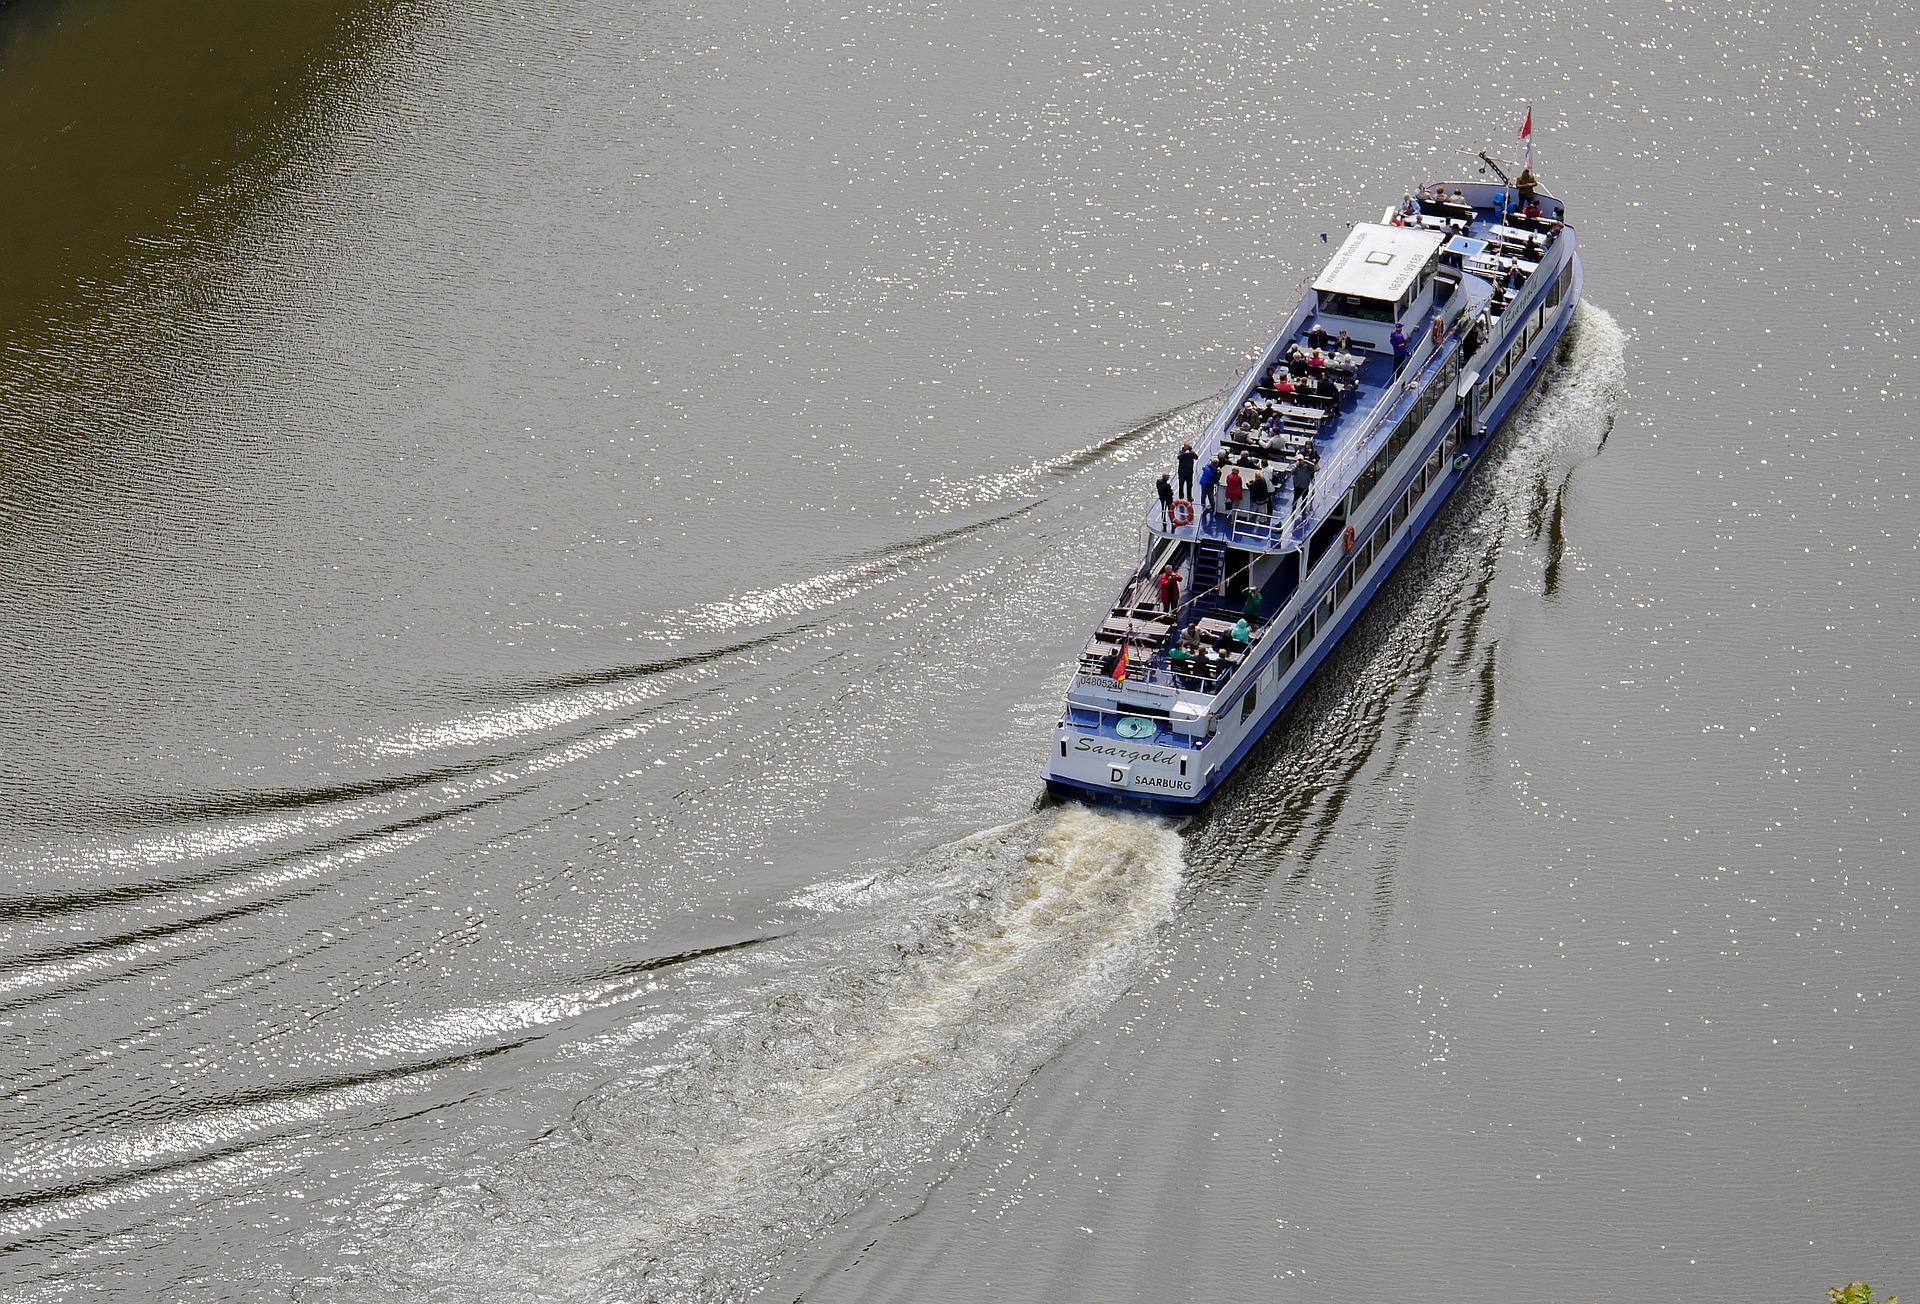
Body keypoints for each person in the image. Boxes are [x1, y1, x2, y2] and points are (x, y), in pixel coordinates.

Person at [1198, 458, 1219, 522]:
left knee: (1203, 496)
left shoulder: (1207, 466)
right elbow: (1216, 480)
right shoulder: (1214, 471)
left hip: (1203, 482)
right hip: (1209, 485)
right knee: (1211, 496)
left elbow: (1203, 468)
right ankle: (1213, 508)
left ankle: (1203, 506)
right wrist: (1218, 472)